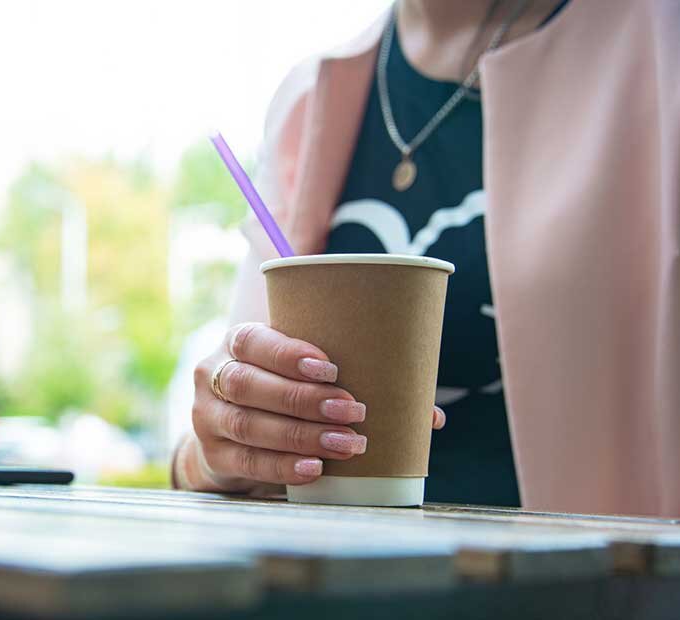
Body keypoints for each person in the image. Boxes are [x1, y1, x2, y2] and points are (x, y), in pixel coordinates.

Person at [171, 0, 680, 518]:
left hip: (602, 586)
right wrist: (218, 451)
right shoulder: (311, 95)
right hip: (341, 580)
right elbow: (230, 431)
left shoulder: (661, 42)